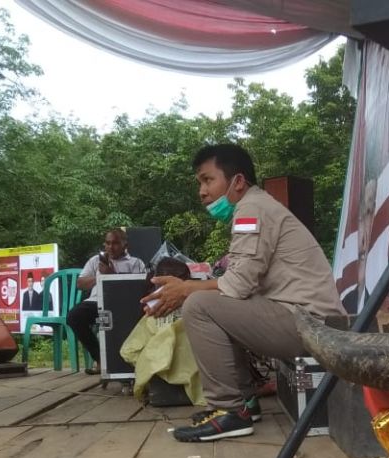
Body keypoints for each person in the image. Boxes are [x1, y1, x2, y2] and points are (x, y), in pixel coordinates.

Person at [144, 143, 344, 442]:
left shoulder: (251, 209)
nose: (201, 191)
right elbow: (238, 286)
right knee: (212, 303)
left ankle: (229, 411)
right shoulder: (255, 206)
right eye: (200, 182)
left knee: (199, 305)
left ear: (237, 181)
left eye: (208, 179)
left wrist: (186, 289)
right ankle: (245, 403)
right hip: (306, 321)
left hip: (310, 325)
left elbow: (236, 286)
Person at [68, 228, 145, 374]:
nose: (110, 247)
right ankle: (100, 359)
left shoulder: (136, 263)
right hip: (96, 302)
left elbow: (139, 289)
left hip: (123, 305)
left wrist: (112, 275)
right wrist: (100, 276)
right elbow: (80, 284)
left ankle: (127, 363)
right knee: (74, 316)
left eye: (115, 243)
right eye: (108, 243)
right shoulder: (96, 261)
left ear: (125, 244)